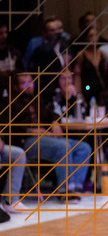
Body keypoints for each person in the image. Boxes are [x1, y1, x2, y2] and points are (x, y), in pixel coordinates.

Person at [13, 73, 92, 203]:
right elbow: (7, 127)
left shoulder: (36, 100)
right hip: (25, 141)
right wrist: (29, 130)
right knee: (62, 146)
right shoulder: (10, 103)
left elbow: (52, 114)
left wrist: (55, 122)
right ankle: (64, 191)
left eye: (30, 82)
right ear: (16, 87)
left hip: (46, 138)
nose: (28, 86)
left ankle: (75, 188)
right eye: (24, 83)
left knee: (83, 148)